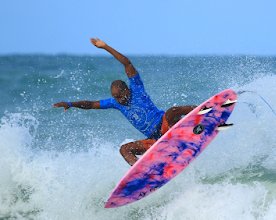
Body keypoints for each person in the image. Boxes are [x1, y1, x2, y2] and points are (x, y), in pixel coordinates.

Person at [53, 38, 196, 166]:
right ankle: (142, 171)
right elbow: (90, 104)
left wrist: (106, 47)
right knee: (125, 149)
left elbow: (127, 63)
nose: (118, 100)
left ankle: (204, 111)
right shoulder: (115, 103)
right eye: (115, 98)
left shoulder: (137, 87)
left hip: (166, 125)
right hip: (155, 140)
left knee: (172, 111)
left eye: (120, 96)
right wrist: (71, 104)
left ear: (127, 90)